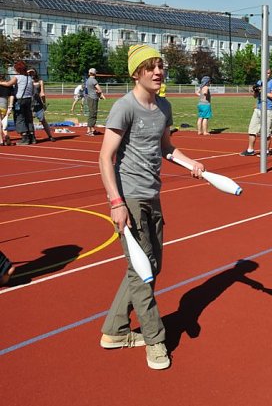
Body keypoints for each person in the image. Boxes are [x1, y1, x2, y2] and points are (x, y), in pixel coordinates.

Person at [98, 44, 205, 370]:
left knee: (149, 267)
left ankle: (114, 331)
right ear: (136, 73)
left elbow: (166, 148)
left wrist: (189, 162)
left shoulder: (164, 107)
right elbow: (105, 158)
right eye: (150, 67)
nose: (158, 72)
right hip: (128, 198)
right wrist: (116, 203)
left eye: (160, 67)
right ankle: (156, 341)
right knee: (141, 273)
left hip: (152, 196)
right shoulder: (124, 107)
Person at [240, 70, 272, 156]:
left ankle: (266, 151)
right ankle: (250, 150)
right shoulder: (259, 82)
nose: (267, 74)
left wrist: (262, 91)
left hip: (268, 109)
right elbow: (255, 96)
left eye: (268, 73)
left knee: (266, 132)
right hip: (258, 109)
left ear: (270, 74)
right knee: (252, 130)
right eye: (265, 73)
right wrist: (255, 90)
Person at [0, 61, 37, 145]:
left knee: (19, 118)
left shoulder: (17, 77)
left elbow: (9, 84)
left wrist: (1, 82)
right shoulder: (30, 78)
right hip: (28, 99)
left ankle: (25, 138)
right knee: (28, 118)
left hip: (20, 100)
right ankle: (32, 136)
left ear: (18, 70)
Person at [28, 68, 56, 142]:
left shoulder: (40, 81)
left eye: (32, 72)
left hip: (38, 103)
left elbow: (42, 93)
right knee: (30, 121)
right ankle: (33, 137)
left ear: (35, 73)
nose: (31, 74)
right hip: (29, 103)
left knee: (43, 120)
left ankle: (50, 135)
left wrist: (44, 103)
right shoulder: (27, 81)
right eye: (30, 73)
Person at [85, 68, 105, 136]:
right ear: (94, 73)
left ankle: (92, 129)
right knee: (93, 114)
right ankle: (89, 130)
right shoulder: (94, 80)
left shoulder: (87, 80)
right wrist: (100, 94)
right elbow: (99, 89)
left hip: (89, 98)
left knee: (91, 113)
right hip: (93, 98)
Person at [0, 72, 13, 146]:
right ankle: (5, 135)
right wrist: (10, 106)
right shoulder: (8, 85)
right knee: (3, 122)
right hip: (4, 103)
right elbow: (11, 96)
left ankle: (1, 140)